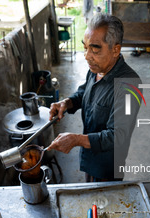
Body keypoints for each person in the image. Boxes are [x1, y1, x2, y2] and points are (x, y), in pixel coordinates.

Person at [47, 13, 141, 182]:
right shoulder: (96, 68)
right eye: (85, 48)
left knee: (103, 203)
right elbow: (84, 92)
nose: (87, 56)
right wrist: (67, 103)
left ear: (115, 50)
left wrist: (76, 139)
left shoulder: (129, 85)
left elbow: (117, 135)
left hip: (107, 166)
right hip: (90, 156)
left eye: (95, 49)